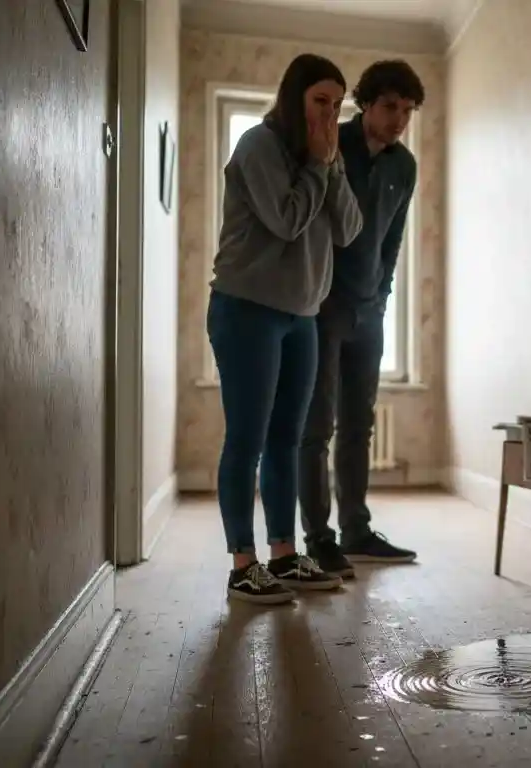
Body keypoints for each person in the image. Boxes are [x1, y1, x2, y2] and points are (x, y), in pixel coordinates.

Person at [208, 53, 363, 604]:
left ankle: (284, 555)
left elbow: (347, 229)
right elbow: (288, 219)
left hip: (303, 316)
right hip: (246, 310)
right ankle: (242, 565)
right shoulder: (258, 146)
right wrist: (320, 167)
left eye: (337, 103)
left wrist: (332, 165)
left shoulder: (323, 155)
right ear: (294, 97)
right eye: (320, 100)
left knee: (286, 440)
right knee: (247, 439)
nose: (329, 113)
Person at [298, 60, 424, 576]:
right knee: (316, 426)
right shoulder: (332, 141)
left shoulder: (405, 166)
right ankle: (318, 538)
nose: (399, 119)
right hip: (321, 307)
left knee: (359, 426)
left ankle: (356, 531)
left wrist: (381, 300)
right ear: (366, 103)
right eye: (391, 106)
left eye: (408, 111)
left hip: (369, 312)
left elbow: (392, 244)